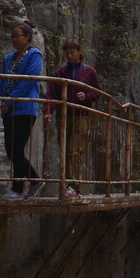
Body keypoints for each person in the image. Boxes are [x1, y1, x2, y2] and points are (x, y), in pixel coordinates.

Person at [0, 20, 44, 200]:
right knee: (12, 151)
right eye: (12, 36)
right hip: (8, 110)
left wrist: (9, 102)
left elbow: (29, 80)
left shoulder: (34, 55)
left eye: (17, 36)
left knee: (16, 150)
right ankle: (35, 181)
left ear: (27, 37)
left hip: (25, 108)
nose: (14, 39)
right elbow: (2, 82)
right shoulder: (9, 58)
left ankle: (18, 189)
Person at [46, 39, 101, 197]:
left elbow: (96, 92)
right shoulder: (60, 73)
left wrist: (86, 96)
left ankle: (73, 186)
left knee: (74, 150)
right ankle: (66, 184)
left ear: (80, 52)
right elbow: (52, 93)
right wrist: (48, 111)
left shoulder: (89, 72)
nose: (69, 55)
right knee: (64, 149)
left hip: (80, 115)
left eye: (72, 52)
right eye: (67, 53)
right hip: (63, 116)